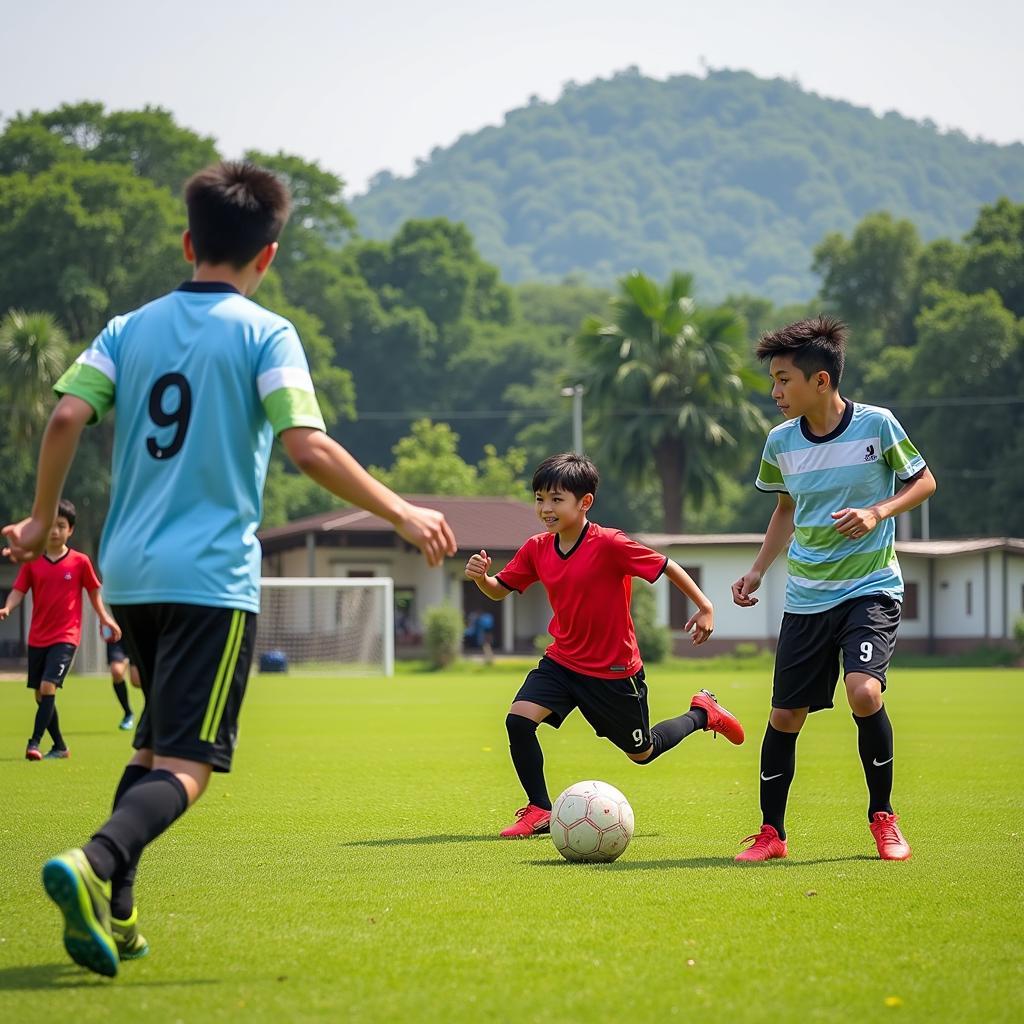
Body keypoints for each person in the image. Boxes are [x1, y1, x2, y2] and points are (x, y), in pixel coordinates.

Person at [2, 160, 456, 978]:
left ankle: (123, 916)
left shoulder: (127, 327)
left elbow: (68, 411)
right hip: (210, 579)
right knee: (192, 763)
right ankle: (91, 862)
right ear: (268, 254)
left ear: (188, 241)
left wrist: (41, 518)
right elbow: (305, 443)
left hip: (133, 575)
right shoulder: (264, 332)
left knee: (149, 749)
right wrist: (402, 510)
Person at [731, 315, 936, 863]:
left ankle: (883, 819)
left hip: (870, 588)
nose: (775, 392)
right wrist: (757, 570)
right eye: (772, 381)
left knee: (865, 693)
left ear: (820, 381)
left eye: (783, 380)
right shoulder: (780, 442)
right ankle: (771, 834)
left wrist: (878, 511)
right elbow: (784, 511)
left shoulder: (878, 426)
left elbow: (923, 480)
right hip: (807, 597)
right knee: (784, 717)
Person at [465, 452, 744, 839]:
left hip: (614, 672)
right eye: (540, 498)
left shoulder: (610, 543)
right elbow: (499, 590)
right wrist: (482, 579)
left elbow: (667, 566)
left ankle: (702, 712)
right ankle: (540, 809)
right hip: (562, 662)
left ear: (585, 502)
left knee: (642, 753)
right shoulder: (536, 548)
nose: (546, 508)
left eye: (556, 499)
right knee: (518, 720)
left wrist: (705, 606)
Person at [0, 499, 121, 761]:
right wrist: (7, 608)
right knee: (40, 695)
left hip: (66, 636)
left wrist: (105, 618)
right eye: (51, 526)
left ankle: (33, 743)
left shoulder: (80, 562)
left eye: (61, 526)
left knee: (47, 686)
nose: (55, 531)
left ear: (71, 530)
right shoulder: (32, 562)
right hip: (37, 637)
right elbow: (19, 590)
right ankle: (61, 746)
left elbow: (93, 593)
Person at [106, 638, 135, 731]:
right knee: (116, 671)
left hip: (139, 631)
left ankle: (150, 715)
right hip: (118, 634)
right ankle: (128, 713)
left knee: (137, 681)